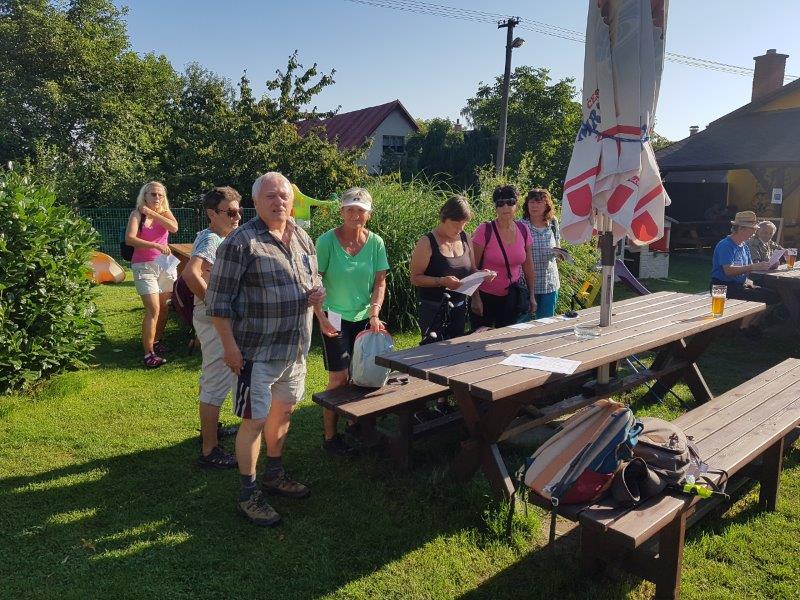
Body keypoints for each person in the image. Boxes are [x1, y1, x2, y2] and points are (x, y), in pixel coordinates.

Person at [206, 172, 324, 527]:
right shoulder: (240, 243)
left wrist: (317, 295)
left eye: (284, 195)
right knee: (254, 420)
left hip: (295, 348)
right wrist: (229, 347)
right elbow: (218, 303)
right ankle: (248, 493)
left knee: (283, 413)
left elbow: (312, 280)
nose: (279, 202)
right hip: (256, 352)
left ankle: (274, 473)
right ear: (254, 203)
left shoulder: (302, 236)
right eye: (270, 196)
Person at [314, 187, 389, 456]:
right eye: (350, 209)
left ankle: (354, 425)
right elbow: (315, 283)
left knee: (363, 374)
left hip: (365, 317)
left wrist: (375, 313)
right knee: (338, 377)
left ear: (368, 215)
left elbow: (380, 281)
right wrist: (321, 318)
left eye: (361, 210)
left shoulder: (376, 243)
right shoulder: (326, 241)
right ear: (342, 211)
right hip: (333, 314)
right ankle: (330, 437)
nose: (355, 214)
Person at [182, 187, 242, 469]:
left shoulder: (215, 237)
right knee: (216, 381)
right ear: (211, 214)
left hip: (210, 318)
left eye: (239, 210)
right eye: (230, 212)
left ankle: (212, 430)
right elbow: (190, 273)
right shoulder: (212, 239)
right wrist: (215, 305)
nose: (237, 216)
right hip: (213, 319)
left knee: (214, 376)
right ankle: (210, 451)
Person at [411, 195, 493, 343]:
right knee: (433, 353)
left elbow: (472, 270)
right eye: (456, 223)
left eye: (464, 224)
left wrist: (482, 276)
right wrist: (441, 281)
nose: (460, 228)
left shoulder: (465, 238)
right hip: (433, 308)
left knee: (455, 352)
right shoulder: (426, 242)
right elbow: (415, 278)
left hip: (459, 307)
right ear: (444, 217)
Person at [125, 181, 179, 368]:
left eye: (160, 195)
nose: (157, 198)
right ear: (144, 195)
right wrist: (155, 245)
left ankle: (156, 341)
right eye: (153, 194)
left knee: (164, 307)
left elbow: (174, 228)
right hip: (143, 266)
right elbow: (130, 239)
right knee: (153, 309)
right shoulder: (136, 214)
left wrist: (154, 213)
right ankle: (148, 354)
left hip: (164, 265)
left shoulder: (164, 213)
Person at [471, 185, 536, 328]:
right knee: (479, 339)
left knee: (504, 339)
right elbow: (472, 267)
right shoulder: (485, 230)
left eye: (511, 202)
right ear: (495, 207)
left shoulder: (523, 229)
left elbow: (528, 265)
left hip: (512, 296)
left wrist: (531, 295)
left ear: (517, 205)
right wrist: (475, 298)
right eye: (500, 203)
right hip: (485, 296)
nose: (506, 207)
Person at [711, 210, 778, 312]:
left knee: (774, 295)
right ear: (741, 229)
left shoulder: (744, 245)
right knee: (769, 296)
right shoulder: (726, 245)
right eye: (752, 229)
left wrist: (767, 265)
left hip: (740, 284)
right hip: (722, 287)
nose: (755, 232)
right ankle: (744, 327)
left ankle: (749, 325)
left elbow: (749, 267)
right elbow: (728, 271)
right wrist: (752, 267)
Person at [520, 188, 562, 318]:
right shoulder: (520, 226)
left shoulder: (553, 223)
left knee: (546, 323)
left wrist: (561, 254)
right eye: (531, 202)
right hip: (525, 286)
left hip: (549, 283)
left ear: (546, 205)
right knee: (520, 324)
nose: (534, 206)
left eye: (538, 202)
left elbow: (558, 247)